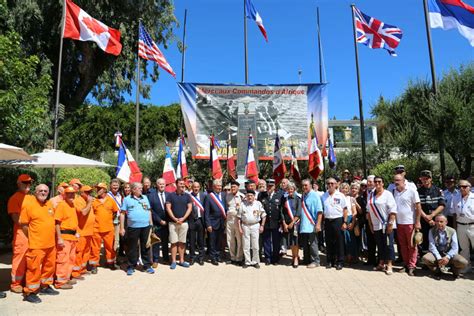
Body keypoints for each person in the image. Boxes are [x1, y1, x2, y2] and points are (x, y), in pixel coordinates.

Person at [20, 184, 59, 303]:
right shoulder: (29, 205)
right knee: (34, 269)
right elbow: (24, 225)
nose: (43, 192)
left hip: (50, 244)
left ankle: (45, 286)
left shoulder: (50, 204)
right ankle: (30, 292)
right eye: (40, 190)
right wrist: (32, 237)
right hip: (36, 244)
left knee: (49, 267)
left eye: (45, 191)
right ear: (35, 192)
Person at [120, 182, 154, 275]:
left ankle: (147, 265)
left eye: (141, 188)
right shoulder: (127, 199)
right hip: (133, 227)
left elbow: (149, 211)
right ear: (133, 189)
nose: (141, 189)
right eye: (139, 188)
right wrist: (122, 228)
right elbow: (122, 214)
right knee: (132, 247)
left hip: (145, 226)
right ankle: (131, 266)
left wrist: (151, 224)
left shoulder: (145, 198)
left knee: (146, 247)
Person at [7, 174, 32, 294]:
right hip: (21, 233)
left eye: (29, 183)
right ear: (18, 183)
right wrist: (25, 227)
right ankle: (15, 283)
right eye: (24, 182)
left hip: (31, 232)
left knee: (30, 258)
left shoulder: (31, 198)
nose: (27, 185)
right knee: (20, 258)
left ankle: (26, 281)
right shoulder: (15, 198)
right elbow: (15, 217)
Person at [393, 174, 421, 276]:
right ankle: (406, 264)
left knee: (412, 245)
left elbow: (418, 207)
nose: (396, 182)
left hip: (410, 223)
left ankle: (412, 266)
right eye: (395, 180)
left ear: (404, 181)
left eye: (398, 180)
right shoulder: (394, 192)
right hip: (399, 223)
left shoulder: (412, 191)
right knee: (403, 246)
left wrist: (417, 222)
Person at [422, 214, 468, 279]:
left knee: (463, 262)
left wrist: (447, 257)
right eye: (437, 221)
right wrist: (439, 258)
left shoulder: (452, 231)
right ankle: (437, 271)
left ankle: (455, 271)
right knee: (425, 258)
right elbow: (432, 246)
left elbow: (455, 248)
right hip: (437, 253)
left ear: (446, 222)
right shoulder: (431, 231)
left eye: (441, 221)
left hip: (449, 254)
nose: (439, 223)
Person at [368, 176, 397, 275]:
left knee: (388, 245)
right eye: (375, 182)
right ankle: (381, 263)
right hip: (376, 225)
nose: (377, 184)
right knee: (380, 244)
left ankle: (389, 264)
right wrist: (370, 224)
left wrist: (390, 224)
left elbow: (393, 210)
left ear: (383, 183)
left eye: (379, 182)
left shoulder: (387, 194)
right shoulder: (371, 194)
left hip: (386, 224)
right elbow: (368, 211)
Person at [54, 186, 79, 289]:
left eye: (73, 194)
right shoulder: (62, 205)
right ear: (64, 195)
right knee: (63, 259)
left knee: (71, 259)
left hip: (72, 237)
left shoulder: (72, 205)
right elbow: (57, 223)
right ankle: (60, 282)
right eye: (69, 193)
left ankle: (66, 278)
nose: (71, 195)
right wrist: (59, 238)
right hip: (64, 237)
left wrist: (76, 232)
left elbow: (72, 221)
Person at [90, 183, 119, 271]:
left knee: (110, 247)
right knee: (95, 248)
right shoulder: (94, 201)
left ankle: (110, 263)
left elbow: (115, 212)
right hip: (96, 229)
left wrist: (108, 221)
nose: (97, 190)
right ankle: (94, 265)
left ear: (105, 190)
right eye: (97, 188)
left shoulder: (111, 200)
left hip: (109, 229)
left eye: (99, 188)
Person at [166, 178, 193, 269]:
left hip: (184, 223)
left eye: (183, 184)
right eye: (180, 184)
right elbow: (168, 208)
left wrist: (183, 218)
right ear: (176, 184)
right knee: (173, 243)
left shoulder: (187, 196)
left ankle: (181, 260)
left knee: (182, 242)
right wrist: (174, 218)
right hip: (173, 223)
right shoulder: (170, 195)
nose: (182, 185)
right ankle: (173, 261)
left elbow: (189, 208)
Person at [322, 178, 347, 270]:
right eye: (328, 183)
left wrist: (344, 222)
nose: (330, 185)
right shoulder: (324, 196)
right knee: (328, 242)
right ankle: (329, 261)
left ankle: (340, 261)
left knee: (339, 242)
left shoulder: (340, 195)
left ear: (336, 184)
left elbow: (345, 209)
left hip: (338, 220)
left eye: (332, 183)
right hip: (328, 221)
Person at [418, 170, 445, 255]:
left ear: (431, 179)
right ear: (421, 179)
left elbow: (442, 205)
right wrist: (426, 217)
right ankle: (427, 261)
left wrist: (432, 215)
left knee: (437, 239)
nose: (425, 180)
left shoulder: (438, 190)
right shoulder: (418, 191)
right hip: (423, 219)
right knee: (425, 240)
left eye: (427, 178)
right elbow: (417, 207)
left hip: (436, 219)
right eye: (423, 178)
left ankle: (439, 259)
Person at [237, 190, 266, 268]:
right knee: (246, 245)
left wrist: (262, 225)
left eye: (251, 195)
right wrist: (239, 227)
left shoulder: (258, 204)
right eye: (248, 195)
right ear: (246, 196)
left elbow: (264, 215)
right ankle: (247, 261)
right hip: (245, 226)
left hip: (255, 226)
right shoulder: (242, 204)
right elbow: (239, 217)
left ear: (254, 196)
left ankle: (255, 261)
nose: (249, 197)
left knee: (255, 245)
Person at [451, 179, 474, 274]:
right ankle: (466, 267)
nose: (462, 188)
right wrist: (454, 228)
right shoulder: (455, 197)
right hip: (460, 226)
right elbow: (454, 214)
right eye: (460, 187)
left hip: (472, 226)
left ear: (470, 187)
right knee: (464, 248)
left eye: (464, 187)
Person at [72, 183, 94, 277]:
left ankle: (83, 269)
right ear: (82, 193)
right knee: (79, 252)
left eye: (90, 192)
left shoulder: (88, 200)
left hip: (89, 231)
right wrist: (89, 202)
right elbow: (84, 212)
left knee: (86, 251)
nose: (89, 194)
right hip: (81, 232)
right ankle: (76, 272)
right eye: (87, 192)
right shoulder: (78, 201)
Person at [258, 179, 283, 265]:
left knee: (276, 242)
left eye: (271, 186)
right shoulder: (261, 195)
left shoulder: (279, 196)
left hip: (276, 223)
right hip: (266, 223)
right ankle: (268, 258)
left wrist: (282, 222)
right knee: (266, 241)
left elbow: (281, 210)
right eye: (268, 186)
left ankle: (275, 259)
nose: (269, 187)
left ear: (274, 186)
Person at [300, 179, 323, 268]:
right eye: (303, 185)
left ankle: (316, 261)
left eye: (306, 185)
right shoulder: (303, 195)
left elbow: (320, 211)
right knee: (305, 243)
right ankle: (306, 259)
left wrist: (318, 224)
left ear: (310, 185)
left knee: (313, 243)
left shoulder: (315, 195)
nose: (304, 187)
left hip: (312, 224)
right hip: (304, 225)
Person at [147, 178, 170, 266]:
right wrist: (159, 220)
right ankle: (156, 260)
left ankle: (166, 258)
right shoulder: (151, 196)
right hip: (157, 223)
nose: (161, 185)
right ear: (157, 185)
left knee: (165, 241)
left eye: (163, 184)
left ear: (165, 185)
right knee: (156, 241)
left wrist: (167, 220)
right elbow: (151, 210)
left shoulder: (169, 195)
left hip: (167, 222)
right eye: (160, 184)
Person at [204, 179, 227, 265]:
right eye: (218, 186)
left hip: (221, 222)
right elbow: (206, 212)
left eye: (220, 186)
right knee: (212, 242)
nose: (219, 188)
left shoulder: (224, 195)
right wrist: (208, 224)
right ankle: (213, 257)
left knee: (219, 241)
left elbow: (225, 208)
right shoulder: (209, 197)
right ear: (213, 187)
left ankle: (218, 255)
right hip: (212, 223)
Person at [281, 182, 301, 268]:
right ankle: (293, 257)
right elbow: (281, 212)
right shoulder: (284, 199)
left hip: (295, 223)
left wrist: (292, 223)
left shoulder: (298, 198)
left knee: (295, 241)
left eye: (291, 189)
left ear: (294, 189)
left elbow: (298, 212)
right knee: (290, 242)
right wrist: (284, 223)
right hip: (286, 224)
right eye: (288, 189)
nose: (290, 190)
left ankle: (296, 257)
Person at [225, 180, 245, 265]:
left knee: (239, 240)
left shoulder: (242, 196)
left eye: (234, 187)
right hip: (229, 220)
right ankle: (232, 257)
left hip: (237, 220)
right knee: (230, 239)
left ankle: (239, 258)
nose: (233, 188)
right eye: (232, 187)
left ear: (238, 187)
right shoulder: (227, 196)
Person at [188, 181, 207, 265]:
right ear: (192, 188)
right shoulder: (188, 196)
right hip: (191, 220)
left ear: (200, 188)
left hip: (201, 220)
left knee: (201, 240)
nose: (196, 188)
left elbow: (206, 210)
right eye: (194, 187)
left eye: (197, 187)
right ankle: (192, 257)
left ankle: (201, 257)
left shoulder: (204, 196)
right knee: (192, 240)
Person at [340, 183, 358, 264]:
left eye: (347, 188)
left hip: (350, 219)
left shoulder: (351, 199)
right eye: (343, 188)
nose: (345, 190)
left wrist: (353, 222)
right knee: (342, 239)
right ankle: (343, 256)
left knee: (350, 239)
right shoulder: (338, 197)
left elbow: (354, 212)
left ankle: (351, 257)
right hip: (340, 219)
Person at [108, 179, 124, 258]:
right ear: (110, 186)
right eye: (113, 185)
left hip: (117, 220)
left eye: (117, 185)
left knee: (116, 240)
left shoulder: (119, 196)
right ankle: (109, 257)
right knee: (110, 239)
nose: (115, 186)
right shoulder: (107, 196)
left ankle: (114, 257)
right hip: (109, 220)